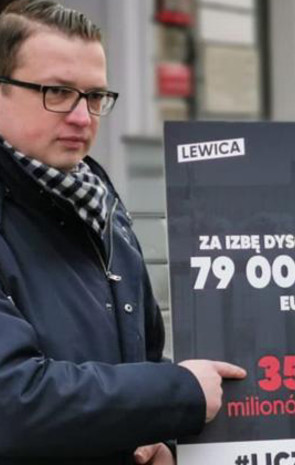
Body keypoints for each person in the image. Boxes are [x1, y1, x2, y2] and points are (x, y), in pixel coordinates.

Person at [0, 1, 246, 463]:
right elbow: (12, 402)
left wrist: (156, 438)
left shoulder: (101, 208)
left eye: (95, 96)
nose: (82, 116)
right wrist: (177, 394)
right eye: (57, 92)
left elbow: (140, 360)